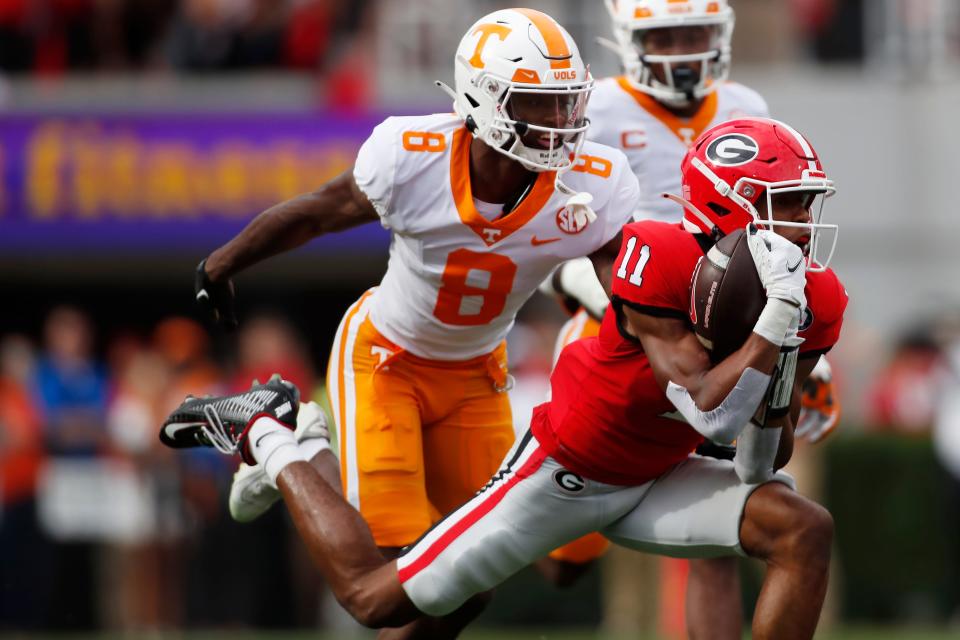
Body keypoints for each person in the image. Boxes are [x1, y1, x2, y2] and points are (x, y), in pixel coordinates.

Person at [161, 117, 848, 640]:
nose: (804, 224)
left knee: (802, 528)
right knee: (372, 599)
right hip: (567, 473)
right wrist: (769, 334)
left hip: (659, 477)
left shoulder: (813, 300)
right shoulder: (658, 252)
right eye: (786, 204)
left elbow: (759, 460)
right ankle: (276, 434)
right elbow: (706, 408)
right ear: (731, 209)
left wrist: (784, 360)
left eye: (806, 203)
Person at [191, 8, 639, 638]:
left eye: (567, 105)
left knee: (468, 581)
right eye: (541, 106)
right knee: (393, 573)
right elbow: (318, 213)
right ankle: (280, 438)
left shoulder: (591, 184)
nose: (561, 126)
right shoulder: (412, 155)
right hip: (385, 360)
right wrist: (223, 262)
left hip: (479, 372)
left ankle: (302, 438)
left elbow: (634, 289)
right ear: (487, 102)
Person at [539, 2, 842, 634]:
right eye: (665, 34)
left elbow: (782, 239)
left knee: (725, 524)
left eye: (694, 32)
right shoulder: (594, 107)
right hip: (625, 325)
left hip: (730, 332)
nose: (682, 48)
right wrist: (636, 310)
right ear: (629, 37)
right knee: (570, 552)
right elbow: (558, 246)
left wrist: (806, 352)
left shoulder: (748, 104)